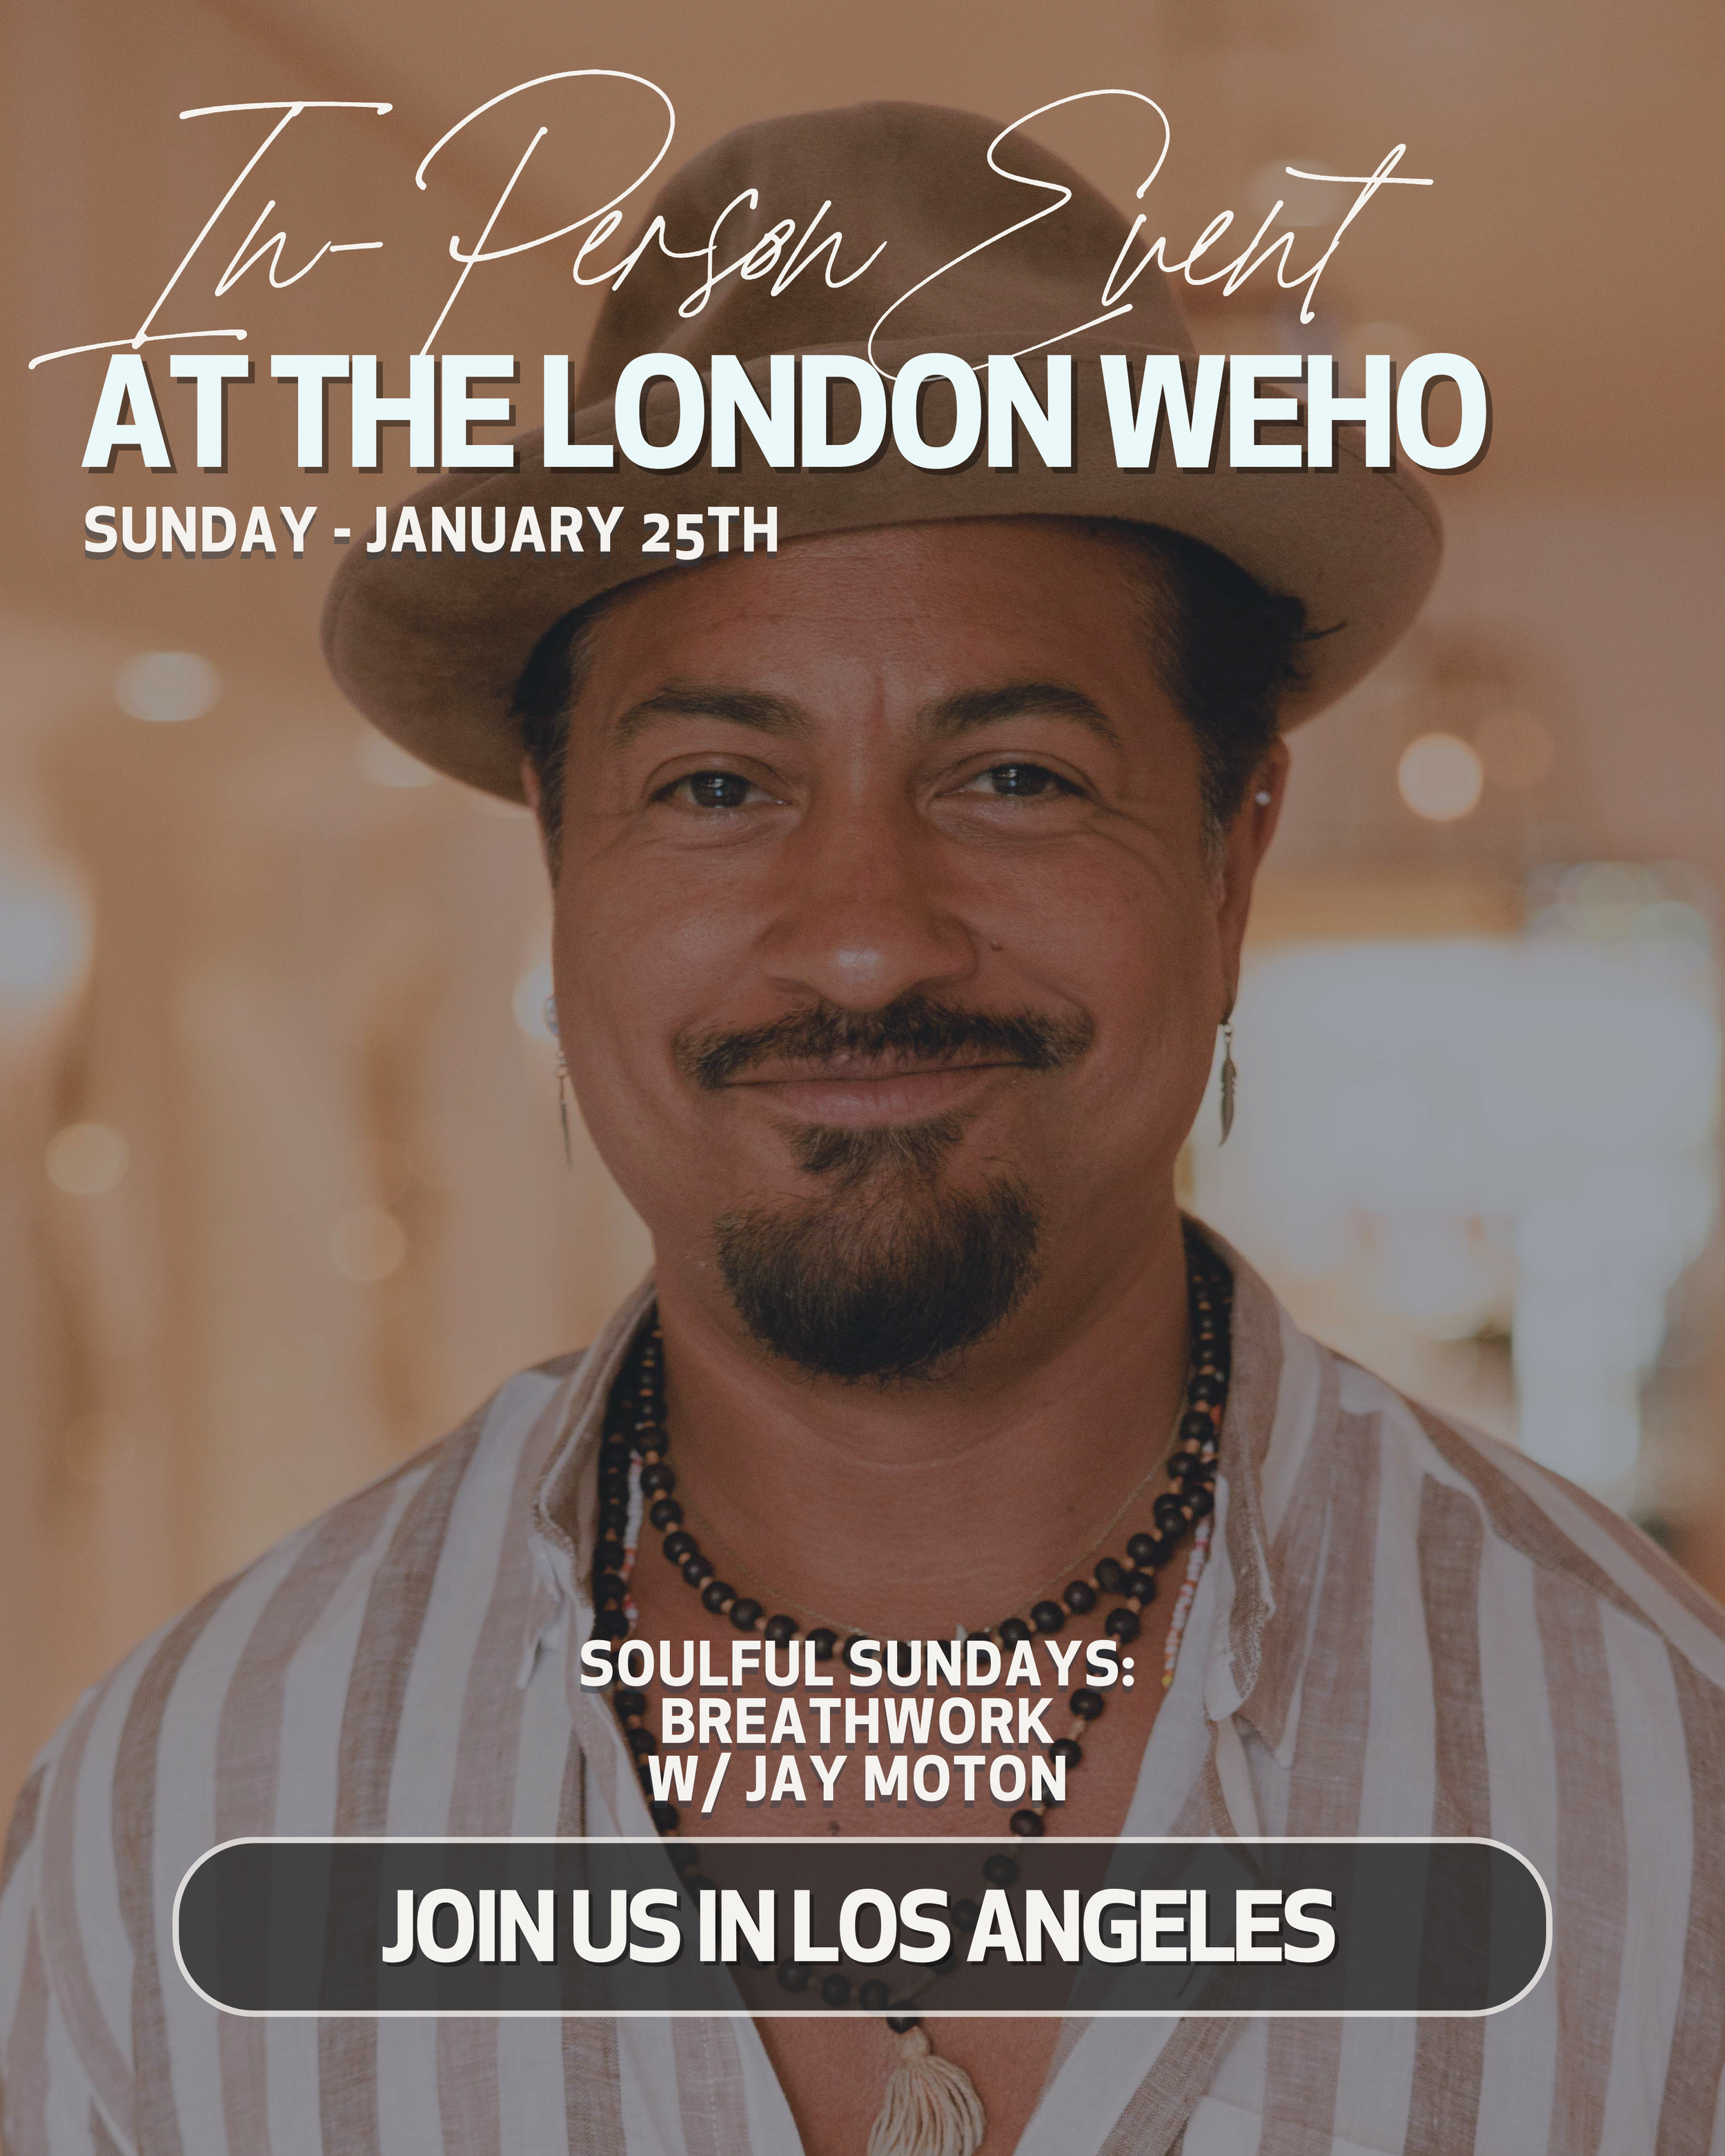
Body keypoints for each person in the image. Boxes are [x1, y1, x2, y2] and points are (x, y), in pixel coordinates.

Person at [5, 99, 1724, 2156]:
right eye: (718, 786)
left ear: (1228, 860)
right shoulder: (185, 1807)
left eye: (1010, 775)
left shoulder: (1660, 1777)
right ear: (561, 866)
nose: (857, 940)